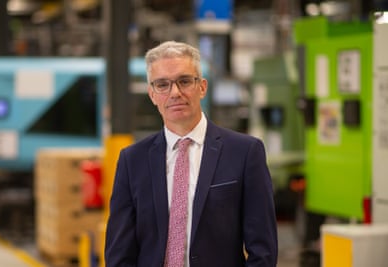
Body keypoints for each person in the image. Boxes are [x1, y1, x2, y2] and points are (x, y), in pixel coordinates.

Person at [105, 40, 278, 267]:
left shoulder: (245, 152)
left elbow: (263, 250)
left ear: (202, 87)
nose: (175, 92)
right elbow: (119, 253)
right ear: (152, 94)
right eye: (162, 84)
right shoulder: (132, 160)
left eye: (184, 81)